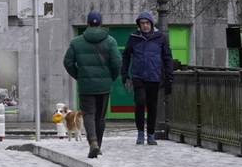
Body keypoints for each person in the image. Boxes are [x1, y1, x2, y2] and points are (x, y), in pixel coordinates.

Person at [63, 11, 122, 158]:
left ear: (88, 23)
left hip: (86, 86)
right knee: (100, 117)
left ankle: (93, 143)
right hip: (104, 86)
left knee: (88, 114)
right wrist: (110, 78)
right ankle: (98, 146)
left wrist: (79, 76)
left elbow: (67, 62)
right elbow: (117, 63)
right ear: (101, 23)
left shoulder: (76, 42)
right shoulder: (110, 41)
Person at [121, 10, 174, 146]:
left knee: (152, 106)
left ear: (151, 23)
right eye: (142, 23)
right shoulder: (134, 38)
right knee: (140, 102)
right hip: (138, 76)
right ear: (139, 25)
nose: (144, 25)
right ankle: (140, 133)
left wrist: (169, 76)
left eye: (147, 23)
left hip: (154, 76)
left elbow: (167, 57)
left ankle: (150, 134)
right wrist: (125, 73)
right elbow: (126, 55)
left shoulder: (160, 37)